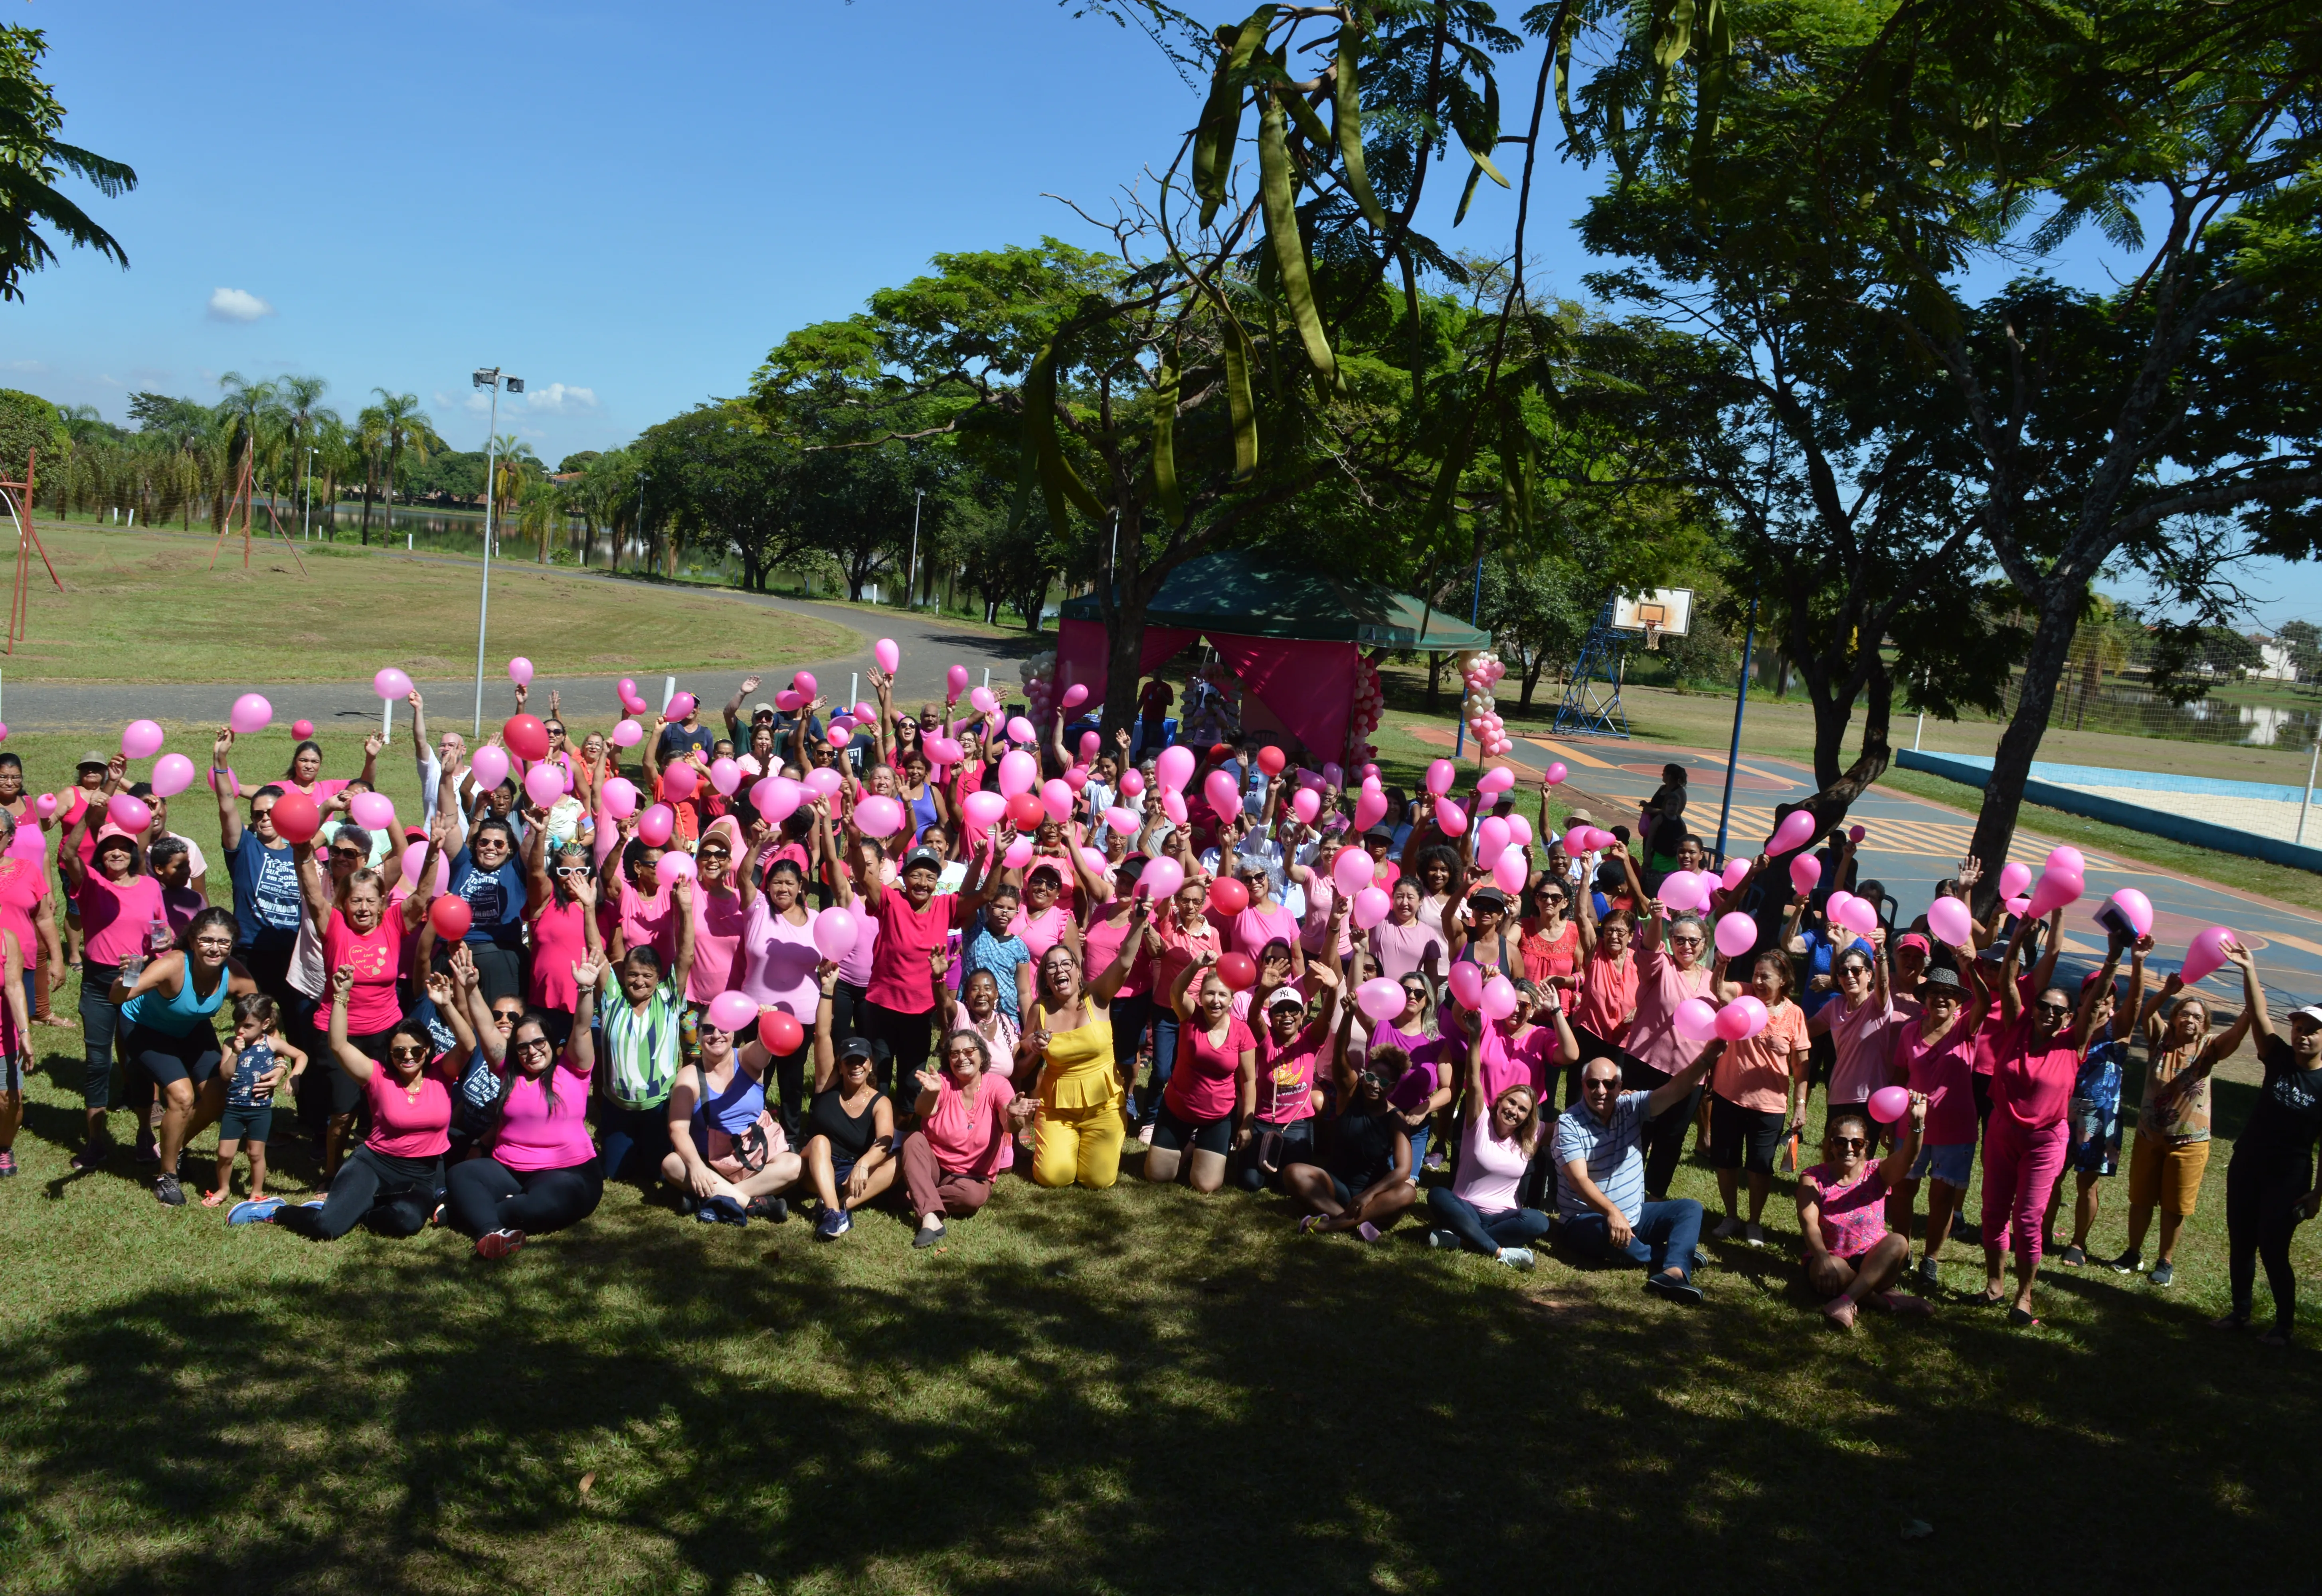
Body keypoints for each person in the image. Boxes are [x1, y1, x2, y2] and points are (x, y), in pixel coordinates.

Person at [1980, 909, 2111, 1326]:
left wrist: (2113, 957)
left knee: (2027, 1219)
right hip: (2002, 1131)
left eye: (2059, 1010)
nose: (2050, 1013)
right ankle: (1995, 1284)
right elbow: (2007, 982)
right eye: (2044, 1006)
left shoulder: (2073, 1043)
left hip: (2044, 1141)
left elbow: (2095, 1002)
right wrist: (2017, 940)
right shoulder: (2016, 1026)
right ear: (2034, 1008)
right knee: (1992, 1212)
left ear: (2070, 1017)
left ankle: (2025, 1295)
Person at [301, 811, 446, 1179]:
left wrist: (433, 853)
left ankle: (380, 1168)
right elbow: (313, 893)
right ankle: (332, 1174)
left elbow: (423, 896)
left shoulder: (394, 923)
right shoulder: (334, 925)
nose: (363, 909)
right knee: (343, 1113)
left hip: (385, 1033)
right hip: (340, 1034)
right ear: (344, 903)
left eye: (370, 901)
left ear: (382, 903)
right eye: (355, 901)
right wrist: (301, 846)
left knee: (380, 1110)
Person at [266, 968, 457, 1240]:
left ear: (427, 1050)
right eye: (399, 1052)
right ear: (390, 1054)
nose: (408, 1057)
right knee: (327, 1228)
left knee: (406, 1223)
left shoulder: (442, 1072)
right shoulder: (378, 1075)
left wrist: (446, 1005)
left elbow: (468, 1044)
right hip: (375, 1163)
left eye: (416, 1050)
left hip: (421, 1173)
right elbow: (338, 1046)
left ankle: (361, 1211)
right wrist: (341, 996)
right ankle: (277, 1211)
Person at [2113, 940, 2258, 1284]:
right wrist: (2167, 992)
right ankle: (2133, 1252)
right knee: (2140, 1199)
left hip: (2189, 1143)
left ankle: (2165, 1261)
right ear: (2175, 1018)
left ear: (2205, 1025)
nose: (2190, 1019)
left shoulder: (2210, 1049)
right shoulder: (2160, 1039)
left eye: (2197, 1016)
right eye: (2184, 1013)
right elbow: (2147, 1012)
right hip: (2149, 1136)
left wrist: (2249, 995)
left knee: (2175, 1205)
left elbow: (2240, 1031)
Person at [444, 957, 608, 1258]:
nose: (532, 1052)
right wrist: (471, 988)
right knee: (461, 1175)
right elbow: (486, 1027)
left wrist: (586, 989)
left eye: (539, 1043)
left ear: (550, 1042)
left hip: (565, 1174)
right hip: (508, 1170)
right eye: (523, 1047)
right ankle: (493, 1232)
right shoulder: (508, 1072)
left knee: (545, 1202)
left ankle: (472, 1212)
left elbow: (583, 1028)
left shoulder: (573, 1069)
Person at [2207, 957, 2322, 1345]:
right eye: (2298, 1029)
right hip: (2248, 1162)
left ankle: (2284, 1326)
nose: (2302, 1036)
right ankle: (2240, 1312)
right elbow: (2258, 1016)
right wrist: (2249, 970)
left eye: (2312, 1032)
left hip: (2289, 1177)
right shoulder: (2278, 1057)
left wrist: (2317, 1193)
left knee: (2273, 1248)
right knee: (2241, 1241)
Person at [109, 907, 256, 1205]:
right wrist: (128, 976)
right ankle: (167, 1177)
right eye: (207, 940)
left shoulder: (235, 974)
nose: (215, 948)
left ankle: (172, 1148)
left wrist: (278, 1062)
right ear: (192, 941)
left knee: (218, 1093)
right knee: (182, 1097)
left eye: (223, 942)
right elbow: (118, 997)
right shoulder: (173, 966)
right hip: (145, 1029)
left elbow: (262, 1016)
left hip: (191, 1027)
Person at [59, 757, 166, 1166]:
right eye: (108, 849)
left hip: (136, 978)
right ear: (101, 854)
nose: (116, 853)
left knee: (137, 1060)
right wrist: (94, 807)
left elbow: (160, 936)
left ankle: (144, 1135)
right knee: (97, 1062)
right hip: (97, 981)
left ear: (133, 851)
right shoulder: (91, 883)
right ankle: (96, 1142)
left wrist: (159, 953)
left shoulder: (150, 886)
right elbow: (70, 852)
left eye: (123, 847)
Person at [1554, 1045, 1720, 1302]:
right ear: (1583, 1085)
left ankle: (1674, 1274)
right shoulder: (1569, 1124)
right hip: (1585, 1220)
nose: (1601, 1091)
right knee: (1614, 1239)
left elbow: (1675, 1090)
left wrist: (1707, 1058)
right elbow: (1579, 1180)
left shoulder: (1632, 1107)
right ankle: (1672, 1255)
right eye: (1593, 1084)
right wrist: (1612, 1212)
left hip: (1634, 1215)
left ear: (1620, 1086)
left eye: (1609, 1084)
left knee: (1690, 1209)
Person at [1023, 900, 1152, 1191]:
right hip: (1057, 1108)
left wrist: (1139, 922)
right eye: (1051, 967)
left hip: (1104, 1105)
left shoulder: (1097, 996)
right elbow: (1022, 1056)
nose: (1059, 970)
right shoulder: (1039, 1010)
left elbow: (1124, 963)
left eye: (1066, 964)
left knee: (1098, 1180)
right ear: (1046, 979)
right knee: (1053, 1177)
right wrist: (1032, 1045)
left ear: (1078, 972)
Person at [657, 971, 799, 1225]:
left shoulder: (746, 1059)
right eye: (708, 1029)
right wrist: (696, 1166)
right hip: (711, 1165)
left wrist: (767, 1023)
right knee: (672, 1164)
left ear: (734, 1033)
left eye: (724, 1028)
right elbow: (678, 1130)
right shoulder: (689, 1077)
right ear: (698, 1034)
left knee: (794, 1165)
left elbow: (764, 1047)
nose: (717, 1035)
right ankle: (754, 1205)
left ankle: (713, 1199)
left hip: (755, 1157)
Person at [1616, 851, 1713, 1199]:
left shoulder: (1713, 983)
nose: (1685, 946)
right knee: (1636, 1132)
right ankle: (1623, 1193)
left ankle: (1654, 1196)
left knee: (1671, 1138)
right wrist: (1657, 918)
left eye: (1693, 941)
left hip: (1689, 1076)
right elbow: (1648, 946)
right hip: (1645, 1065)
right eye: (1680, 939)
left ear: (1704, 946)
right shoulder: (1660, 967)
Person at [2051, 935, 2148, 1268]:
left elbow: (2136, 1002)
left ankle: (2078, 1244)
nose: (2101, 998)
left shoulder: (2118, 1029)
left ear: (2112, 1003)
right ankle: (2041, 1233)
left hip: (2098, 1117)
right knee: (2052, 1176)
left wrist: (2138, 962)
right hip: (2062, 1111)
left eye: (2107, 994)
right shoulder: (2069, 1027)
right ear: (2083, 998)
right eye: (2093, 992)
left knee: (2087, 1183)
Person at [1705, 948, 1811, 1245]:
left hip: (1770, 1105)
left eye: (1766, 977)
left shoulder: (1795, 1014)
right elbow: (1720, 990)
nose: (1759, 982)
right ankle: (1730, 1216)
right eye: (1756, 975)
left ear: (1783, 980)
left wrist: (1801, 1105)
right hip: (1728, 1094)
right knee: (1726, 1160)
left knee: (1760, 1166)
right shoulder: (1744, 996)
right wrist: (1721, 966)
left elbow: (1802, 1066)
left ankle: (1754, 1223)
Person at [1798, 1098, 1933, 1328]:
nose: (1849, 1149)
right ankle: (1886, 1302)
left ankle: (1847, 1300)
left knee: (1899, 1242)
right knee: (1836, 1268)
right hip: (1832, 1260)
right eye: (1841, 1142)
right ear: (1831, 1145)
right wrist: (1821, 1258)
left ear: (1865, 1146)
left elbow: (1908, 1158)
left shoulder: (1877, 1172)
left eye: (1857, 1143)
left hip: (1874, 1261)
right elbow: (1808, 1223)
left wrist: (1917, 1122)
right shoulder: (1812, 1178)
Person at [597, 884, 697, 1185]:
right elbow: (596, 950)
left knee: (658, 1174)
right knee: (614, 1173)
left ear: (658, 977)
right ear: (624, 975)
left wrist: (686, 909)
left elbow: (686, 956)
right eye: (633, 975)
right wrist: (590, 909)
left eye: (647, 976)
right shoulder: (613, 998)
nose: (639, 982)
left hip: (658, 1108)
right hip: (617, 1109)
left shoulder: (668, 998)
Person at [1423, 1038, 1549, 1269]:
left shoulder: (1533, 1135)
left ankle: (1463, 1239)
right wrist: (1474, 1038)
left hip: (1504, 1217)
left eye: (1523, 1110)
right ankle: (1500, 1252)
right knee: (1438, 1195)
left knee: (1539, 1221)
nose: (1514, 1111)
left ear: (1528, 1118)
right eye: (1511, 1102)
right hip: (1466, 1209)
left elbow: (1571, 1127)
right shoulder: (1479, 1122)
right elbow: (1473, 1081)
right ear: (1500, 1101)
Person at [844, 839, 959, 1092]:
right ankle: (878, 1115)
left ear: (937, 881)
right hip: (882, 1006)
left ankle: (906, 1115)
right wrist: (853, 843)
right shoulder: (891, 899)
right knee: (879, 1077)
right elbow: (864, 877)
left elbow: (982, 896)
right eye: (916, 875)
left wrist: (991, 859)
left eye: (930, 877)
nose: (922, 883)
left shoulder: (943, 906)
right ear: (904, 877)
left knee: (912, 1080)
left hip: (921, 1012)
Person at [1145, 948, 1256, 1193]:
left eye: (1222, 995)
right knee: (1158, 1175)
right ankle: (1186, 1148)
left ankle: (1195, 1145)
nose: (1216, 1001)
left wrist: (1247, 1123)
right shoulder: (1190, 1016)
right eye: (1210, 994)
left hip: (1218, 1117)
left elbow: (1249, 1081)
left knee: (1207, 1185)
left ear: (1232, 999)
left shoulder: (1242, 1032)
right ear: (1201, 996)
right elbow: (1175, 992)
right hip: (1177, 1110)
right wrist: (1196, 965)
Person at [1282, 1036, 1416, 1240]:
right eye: (1371, 1077)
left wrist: (1369, 1195)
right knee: (1294, 1172)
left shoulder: (1396, 1119)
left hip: (1373, 1193)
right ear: (1364, 1075)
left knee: (1408, 1192)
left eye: (1383, 1082)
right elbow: (1340, 1055)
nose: (1375, 1085)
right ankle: (1355, 1224)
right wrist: (1347, 1019)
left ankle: (1332, 1224)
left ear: (1393, 1087)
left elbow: (1403, 1170)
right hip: (1335, 1186)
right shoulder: (1349, 1096)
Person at [900, 1029, 1023, 1248]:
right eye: (955, 1053)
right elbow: (923, 1110)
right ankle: (930, 1218)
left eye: (969, 1051)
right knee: (913, 1140)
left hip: (972, 1178)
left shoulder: (998, 1085)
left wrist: (1013, 1115)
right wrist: (931, 1092)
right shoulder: (944, 1082)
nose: (962, 1058)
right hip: (934, 1167)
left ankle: (912, 1196)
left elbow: (1009, 1124)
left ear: (983, 1056)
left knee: (972, 1198)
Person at [801, 964, 897, 1238]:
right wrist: (828, 990)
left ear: (870, 1065)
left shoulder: (880, 1102)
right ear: (840, 1067)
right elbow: (823, 1034)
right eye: (849, 1062)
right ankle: (834, 1213)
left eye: (861, 1061)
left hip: (851, 1172)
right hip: (815, 1168)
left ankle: (840, 1205)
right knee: (821, 1141)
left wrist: (863, 1164)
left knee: (898, 1161)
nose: (855, 1066)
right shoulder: (827, 1084)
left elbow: (885, 1140)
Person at [205, 994, 305, 1209]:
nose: (241, 1031)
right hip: (233, 1109)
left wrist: (294, 1076)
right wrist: (235, 1054)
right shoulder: (230, 1043)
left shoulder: (271, 1043)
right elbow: (225, 1075)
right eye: (237, 1025)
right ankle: (223, 1189)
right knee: (224, 1154)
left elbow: (301, 1056)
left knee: (256, 1154)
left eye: (248, 1026)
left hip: (260, 1110)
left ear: (265, 1024)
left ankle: (257, 1192)